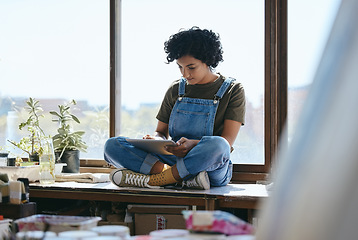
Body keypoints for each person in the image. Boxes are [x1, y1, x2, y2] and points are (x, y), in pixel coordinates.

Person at [104, 26, 245, 190]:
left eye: (191, 67)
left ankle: (158, 180)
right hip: (173, 160)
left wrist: (193, 144)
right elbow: (161, 132)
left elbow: (227, 142)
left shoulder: (233, 90)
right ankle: (176, 177)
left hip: (210, 167)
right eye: (180, 67)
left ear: (208, 60)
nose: (185, 74)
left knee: (218, 145)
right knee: (112, 146)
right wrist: (156, 141)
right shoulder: (176, 89)